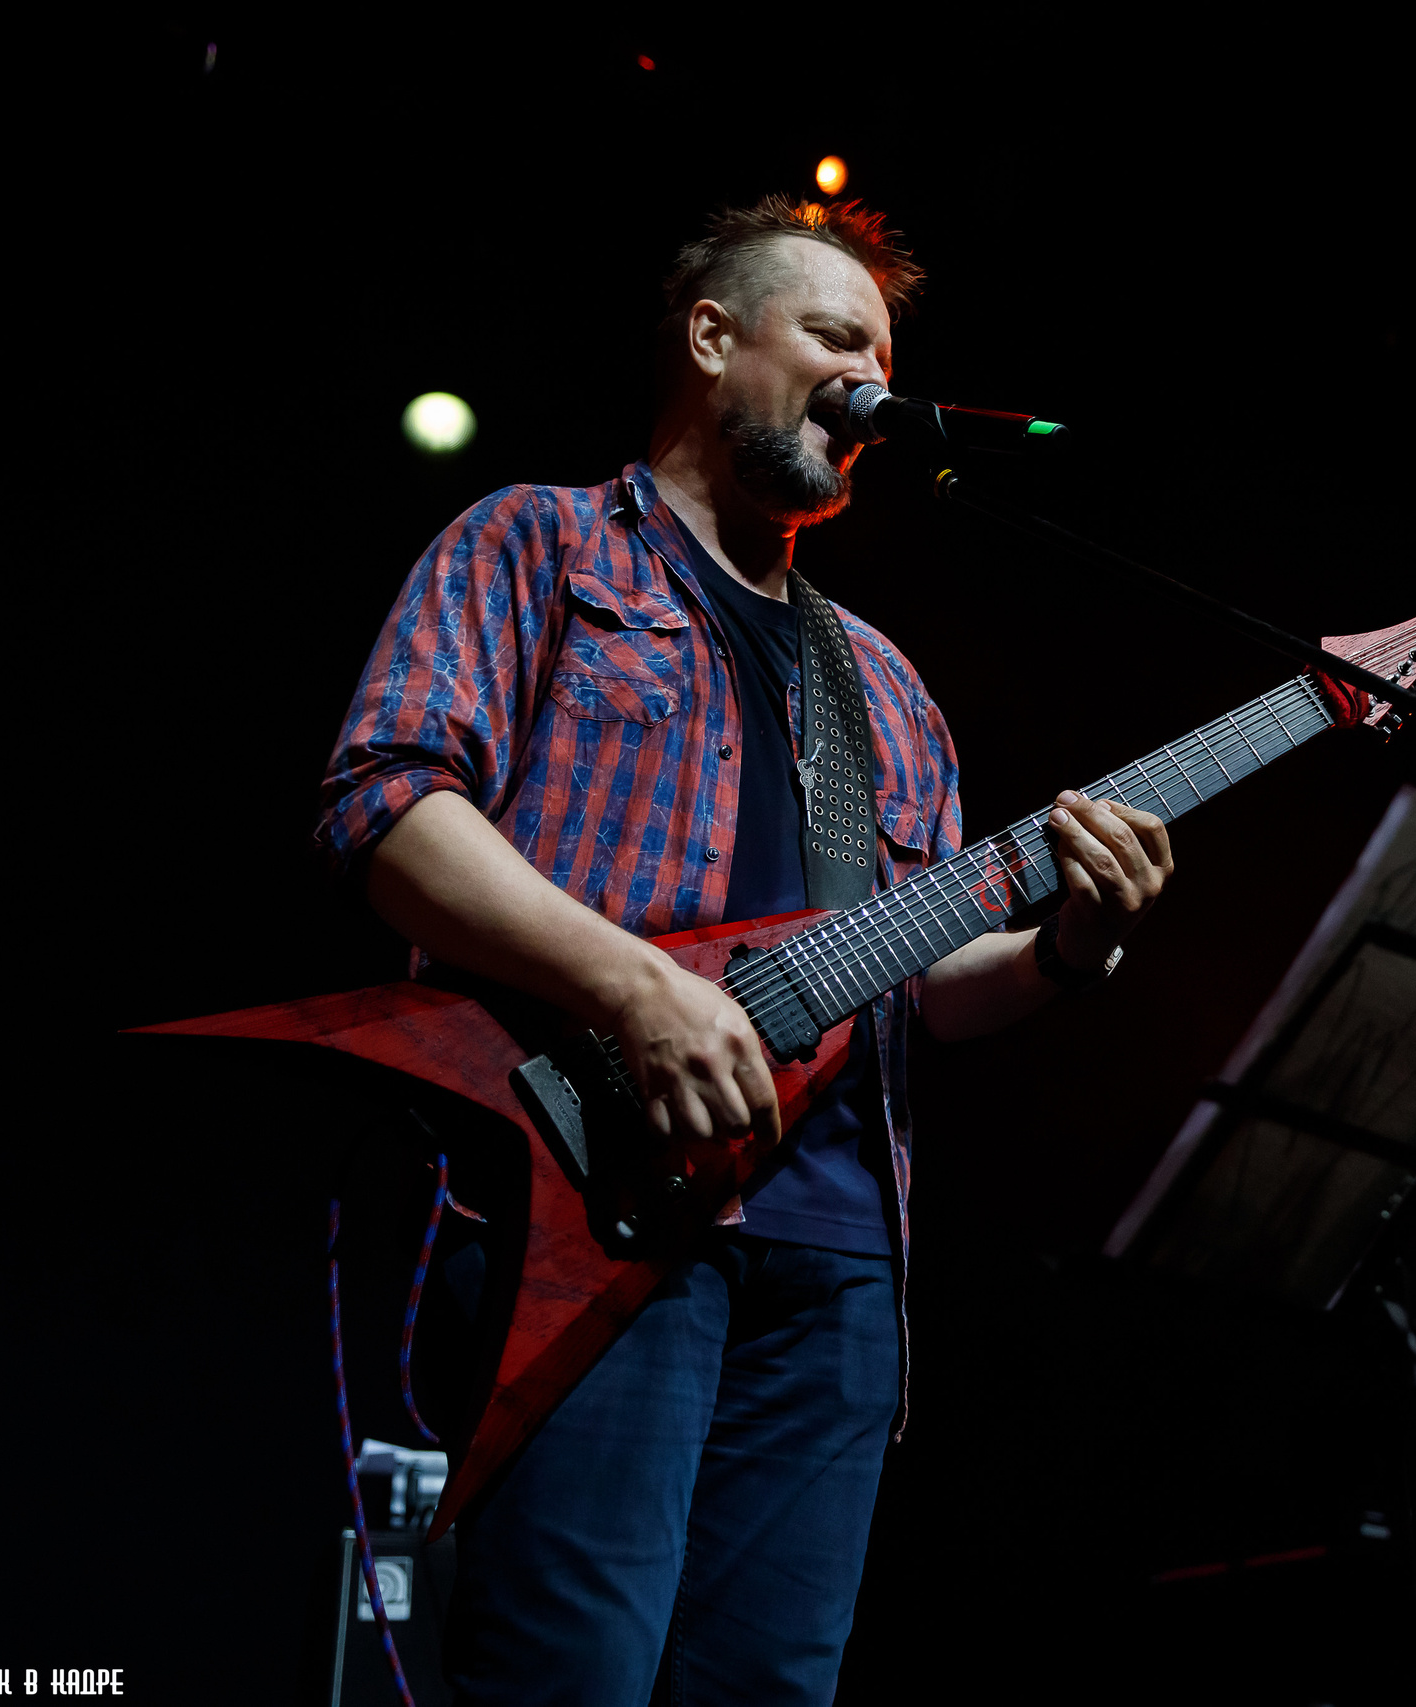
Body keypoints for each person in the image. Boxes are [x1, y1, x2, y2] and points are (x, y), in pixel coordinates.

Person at [316, 195, 1176, 1707]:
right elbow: (387, 805)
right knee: (570, 1672)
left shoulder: (887, 683)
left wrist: (1069, 948)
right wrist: (636, 981)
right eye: (837, 336)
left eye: (884, 352)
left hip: (840, 1263)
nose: (869, 380)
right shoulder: (542, 542)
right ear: (714, 340)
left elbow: (916, 984)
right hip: (600, 1210)